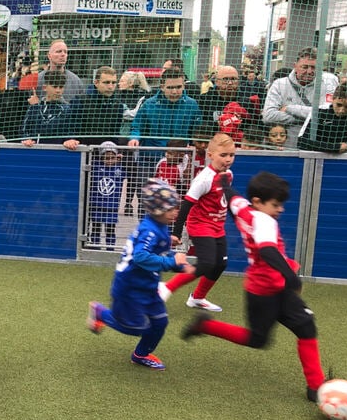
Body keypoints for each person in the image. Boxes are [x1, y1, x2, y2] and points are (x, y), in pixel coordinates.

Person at [182, 172, 328, 402]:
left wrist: (223, 184)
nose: (280, 210)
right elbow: (267, 250)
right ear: (259, 202)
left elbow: (233, 200)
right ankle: (205, 325)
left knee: (306, 326)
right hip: (262, 291)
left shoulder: (247, 208)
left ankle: (316, 387)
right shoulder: (264, 221)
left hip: (276, 286)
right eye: (276, 205)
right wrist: (291, 277)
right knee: (258, 340)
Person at [87, 179, 194, 370]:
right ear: (157, 211)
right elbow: (141, 257)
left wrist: (178, 264)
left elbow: (156, 254)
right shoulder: (150, 231)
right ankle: (101, 313)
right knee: (134, 327)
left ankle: (140, 355)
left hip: (147, 286)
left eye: (176, 207)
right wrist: (172, 262)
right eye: (171, 209)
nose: (176, 212)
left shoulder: (159, 228)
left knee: (160, 322)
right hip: (129, 288)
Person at [158, 132, 237, 312]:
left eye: (231, 155)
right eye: (223, 155)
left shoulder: (229, 174)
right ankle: (166, 287)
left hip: (217, 226)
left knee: (221, 263)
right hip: (200, 225)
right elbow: (186, 205)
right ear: (210, 155)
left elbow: (224, 198)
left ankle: (197, 298)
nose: (228, 159)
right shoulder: (204, 178)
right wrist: (176, 233)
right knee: (207, 264)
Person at [127, 67, 202, 212]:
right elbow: (137, 126)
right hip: (150, 159)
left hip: (179, 162)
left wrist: (194, 146)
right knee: (148, 202)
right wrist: (134, 138)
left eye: (178, 87)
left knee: (177, 204)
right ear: (162, 87)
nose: (175, 92)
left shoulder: (192, 105)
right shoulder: (149, 104)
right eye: (170, 87)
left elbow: (196, 131)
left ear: (184, 85)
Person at [262, 47, 340, 148]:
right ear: (295, 66)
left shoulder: (329, 82)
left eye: (313, 67)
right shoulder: (279, 84)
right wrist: (312, 118)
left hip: (320, 147)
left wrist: (291, 108)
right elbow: (268, 116)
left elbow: (329, 115)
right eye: (304, 67)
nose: (309, 71)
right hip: (287, 147)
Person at [64, 66, 127, 149]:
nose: (110, 86)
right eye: (107, 82)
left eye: (113, 82)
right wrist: (70, 139)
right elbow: (70, 127)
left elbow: (114, 134)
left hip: (106, 156)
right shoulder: (80, 101)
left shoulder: (118, 106)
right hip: (81, 152)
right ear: (96, 82)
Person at [87, 144, 125, 250]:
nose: (109, 161)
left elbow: (130, 167)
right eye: (106, 158)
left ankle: (110, 248)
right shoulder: (96, 167)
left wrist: (122, 159)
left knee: (110, 230)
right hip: (96, 205)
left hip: (112, 207)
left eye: (112, 158)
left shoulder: (119, 169)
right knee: (96, 228)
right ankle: (95, 247)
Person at [21, 69, 72, 146]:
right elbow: (24, 129)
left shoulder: (66, 109)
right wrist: (26, 139)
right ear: (45, 87)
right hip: (33, 151)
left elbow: (45, 128)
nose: (58, 91)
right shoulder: (35, 107)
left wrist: (35, 107)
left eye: (61, 87)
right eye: (54, 87)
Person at [297, 81, 347, 154]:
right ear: (333, 99)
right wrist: (334, 147)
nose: (341, 110)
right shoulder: (319, 111)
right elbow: (302, 142)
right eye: (339, 105)